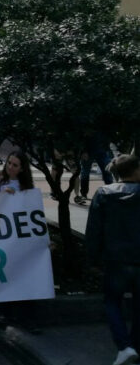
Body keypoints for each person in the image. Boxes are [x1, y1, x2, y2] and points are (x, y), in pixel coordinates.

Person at [85, 153, 140, 365]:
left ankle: (124, 345)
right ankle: (133, 346)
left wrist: (93, 259)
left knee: (111, 301)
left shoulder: (104, 194)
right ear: (135, 170)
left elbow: (94, 230)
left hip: (115, 260)